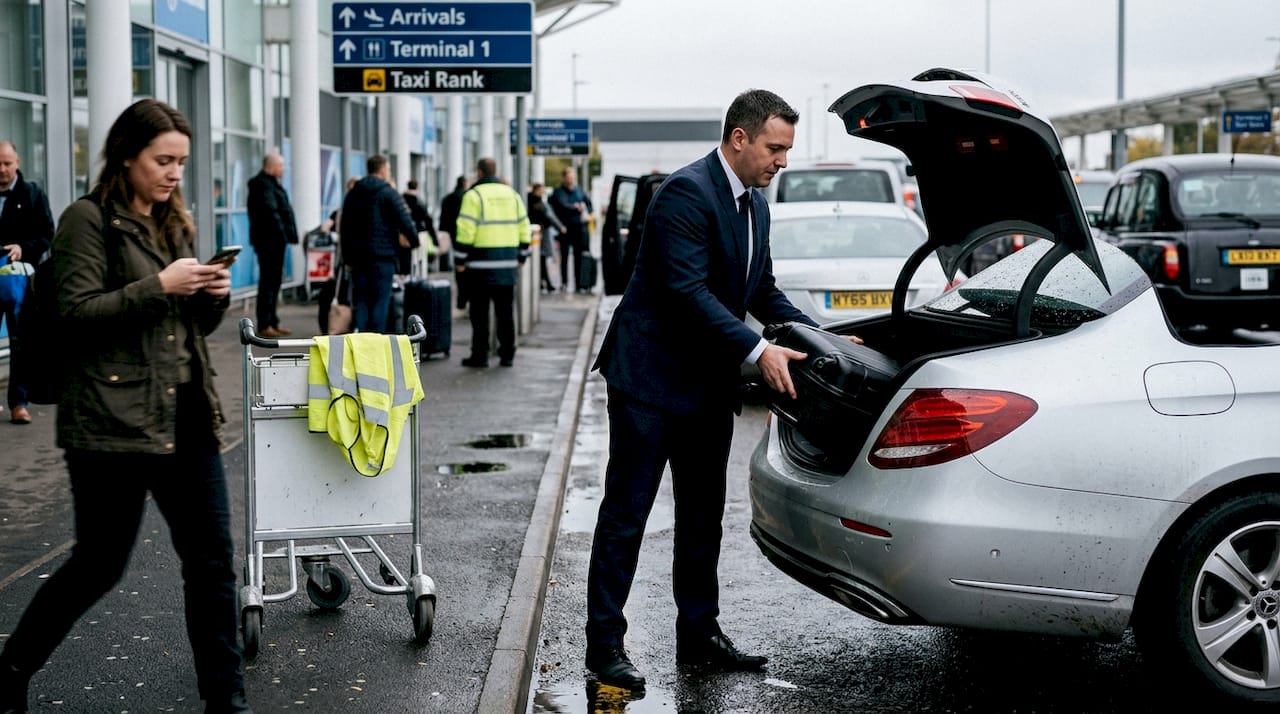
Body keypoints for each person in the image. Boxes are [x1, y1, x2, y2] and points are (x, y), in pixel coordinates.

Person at [0, 99, 251, 713]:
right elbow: (78, 314)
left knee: (213, 566)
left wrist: (209, 294)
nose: (173, 174)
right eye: (163, 160)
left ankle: (228, 703)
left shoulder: (176, 223)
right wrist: (160, 285)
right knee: (98, 565)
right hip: (110, 423)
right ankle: (8, 673)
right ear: (127, 156)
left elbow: (184, 324)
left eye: (181, 163)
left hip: (186, 412)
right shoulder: (87, 220)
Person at [584, 89, 822, 691]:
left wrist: (826, 342)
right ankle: (604, 646)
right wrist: (759, 352)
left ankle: (699, 634)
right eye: (775, 147)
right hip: (650, 382)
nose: (782, 161)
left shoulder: (756, 206)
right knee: (627, 514)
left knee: (702, 516)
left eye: (788, 150)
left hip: (708, 386)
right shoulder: (685, 193)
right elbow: (688, 294)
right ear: (739, 139)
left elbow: (761, 291)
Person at [454, 158, 530, 368]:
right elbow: (525, 227)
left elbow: (466, 230)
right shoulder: (512, 195)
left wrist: (459, 260)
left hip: (479, 268)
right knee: (505, 312)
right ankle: (507, 354)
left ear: (479, 172)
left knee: (480, 315)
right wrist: (522, 256)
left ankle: (480, 355)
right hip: (507, 266)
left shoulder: (473, 196)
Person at [0, 140, 54, 425]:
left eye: (7, 163)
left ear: (18, 162)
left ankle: (18, 403)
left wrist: (23, 247)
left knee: (20, 341)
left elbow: (47, 234)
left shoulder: (31, 193)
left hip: (19, 279)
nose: (2, 169)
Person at [338, 155, 417, 333]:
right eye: (388, 169)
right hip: (383, 257)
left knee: (361, 301)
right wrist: (414, 241)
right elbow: (405, 220)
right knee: (380, 303)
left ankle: (360, 342)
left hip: (358, 259)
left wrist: (348, 258)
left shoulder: (353, 194)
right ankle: (376, 343)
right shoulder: (388, 193)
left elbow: (345, 227)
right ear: (382, 170)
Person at [246, 152, 299, 338]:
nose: (283, 169)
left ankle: (273, 321)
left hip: (276, 241)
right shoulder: (261, 185)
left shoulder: (272, 184)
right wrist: (283, 234)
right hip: (269, 241)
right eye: (281, 165)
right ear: (271, 166)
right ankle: (264, 323)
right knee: (268, 282)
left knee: (275, 281)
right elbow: (270, 213)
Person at [550, 166, 592, 292]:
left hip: (579, 229)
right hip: (565, 229)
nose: (571, 180)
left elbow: (589, 205)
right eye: (569, 177)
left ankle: (579, 284)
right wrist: (575, 207)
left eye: (573, 177)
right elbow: (561, 205)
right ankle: (564, 282)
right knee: (564, 257)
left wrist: (587, 212)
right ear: (564, 178)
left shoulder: (580, 191)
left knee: (579, 257)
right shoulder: (558, 192)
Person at [527, 182, 565, 293]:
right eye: (541, 190)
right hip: (539, 234)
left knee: (541, 260)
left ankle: (545, 283)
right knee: (541, 259)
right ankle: (546, 283)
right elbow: (548, 217)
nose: (543, 192)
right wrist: (560, 227)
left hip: (540, 234)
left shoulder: (536, 201)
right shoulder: (536, 202)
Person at [401, 178, 438, 274]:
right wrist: (434, 238)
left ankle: (409, 280)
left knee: (408, 260)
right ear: (417, 188)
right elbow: (428, 221)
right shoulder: (419, 202)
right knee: (421, 260)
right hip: (420, 233)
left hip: (404, 235)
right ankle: (420, 281)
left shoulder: (401, 200)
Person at [437, 175, 468, 271]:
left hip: (447, 226)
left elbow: (443, 213)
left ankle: (445, 266)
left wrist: (442, 227)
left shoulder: (448, 197)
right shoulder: (466, 197)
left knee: (446, 248)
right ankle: (459, 264)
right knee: (459, 248)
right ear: (464, 183)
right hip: (460, 227)